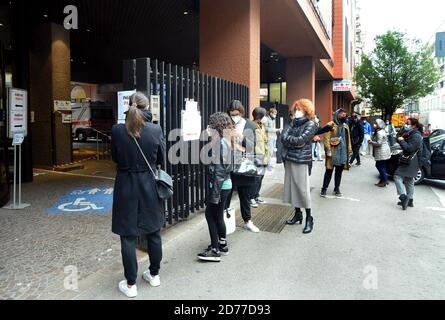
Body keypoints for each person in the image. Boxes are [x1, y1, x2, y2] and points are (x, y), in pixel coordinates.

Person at [111, 92, 166, 298]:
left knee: (128, 236)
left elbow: (115, 157)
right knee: (153, 231)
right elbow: (161, 157)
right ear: (146, 106)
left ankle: (131, 284)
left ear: (129, 106)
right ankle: (154, 274)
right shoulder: (155, 129)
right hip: (149, 184)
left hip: (126, 184)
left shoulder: (117, 130)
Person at [198, 113, 235, 262]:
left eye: (210, 124)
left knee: (210, 215)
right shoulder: (225, 140)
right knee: (218, 215)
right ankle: (222, 244)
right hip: (225, 184)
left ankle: (214, 250)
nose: (208, 127)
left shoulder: (219, 142)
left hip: (219, 186)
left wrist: (214, 194)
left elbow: (219, 170)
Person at [281, 99, 317, 234]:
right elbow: (283, 138)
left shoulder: (310, 124)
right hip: (290, 158)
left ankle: (309, 218)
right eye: (296, 109)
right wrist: (294, 143)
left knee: (302, 190)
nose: (297, 112)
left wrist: (292, 141)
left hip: (301, 160)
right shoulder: (292, 123)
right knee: (291, 187)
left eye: (300, 110)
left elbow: (301, 140)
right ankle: (297, 214)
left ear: (306, 111)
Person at [225, 100, 260, 233]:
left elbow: (252, 146)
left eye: (236, 114)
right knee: (226, 194)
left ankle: (248, 221)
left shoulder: (250, 125)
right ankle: (225, 219)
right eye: (232, 114)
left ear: (241, 113)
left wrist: (240, 136)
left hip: (244, 165)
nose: (234, 116)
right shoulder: (226, 124)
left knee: (245, 195)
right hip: (229, 165)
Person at [321, 109, 352, 198]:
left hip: (342, 151)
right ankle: (324, 189)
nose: (344, 116)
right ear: (337, 115)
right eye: (342, 114)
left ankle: (337, 188)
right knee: (329, 171)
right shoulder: (330, 125)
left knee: (339, 172)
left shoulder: (346, 126)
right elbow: (326, 139)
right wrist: (328, 150)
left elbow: (348, 139)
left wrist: (349, 150)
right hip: (333, 151)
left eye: (345, 114)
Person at [394, 118, 423, 210]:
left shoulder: (416, 136)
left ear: (413, 125)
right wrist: (400, 137)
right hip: (411, 160)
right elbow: (399, 140)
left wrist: (402, 140)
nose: (406, 125)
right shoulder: (411, 133)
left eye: (408, 123)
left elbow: (409, 149)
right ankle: (410, 200)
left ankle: (403, 197)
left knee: (397, 176)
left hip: (411, 160)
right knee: (409, 180)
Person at [250, 107, 270, 207]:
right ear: (259, 116)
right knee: (256, 178)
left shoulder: (261, 125)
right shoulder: (252, 126)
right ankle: (251, 198)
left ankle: (256, 196)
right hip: (258, 156)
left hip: (264, 156)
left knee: (260, 178)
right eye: (264, 115)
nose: (265, 117)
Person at [368, 119, 391, 187]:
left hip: (382, 151)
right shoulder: (381, 131)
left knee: (379, 165)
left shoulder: (379, 132)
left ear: (378, 125)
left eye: (375, 123)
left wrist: (371, 142)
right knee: (382, 166)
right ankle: (382, 180)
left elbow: (379, 143)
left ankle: (385, 180)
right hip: (385, 150)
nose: (374, 125)